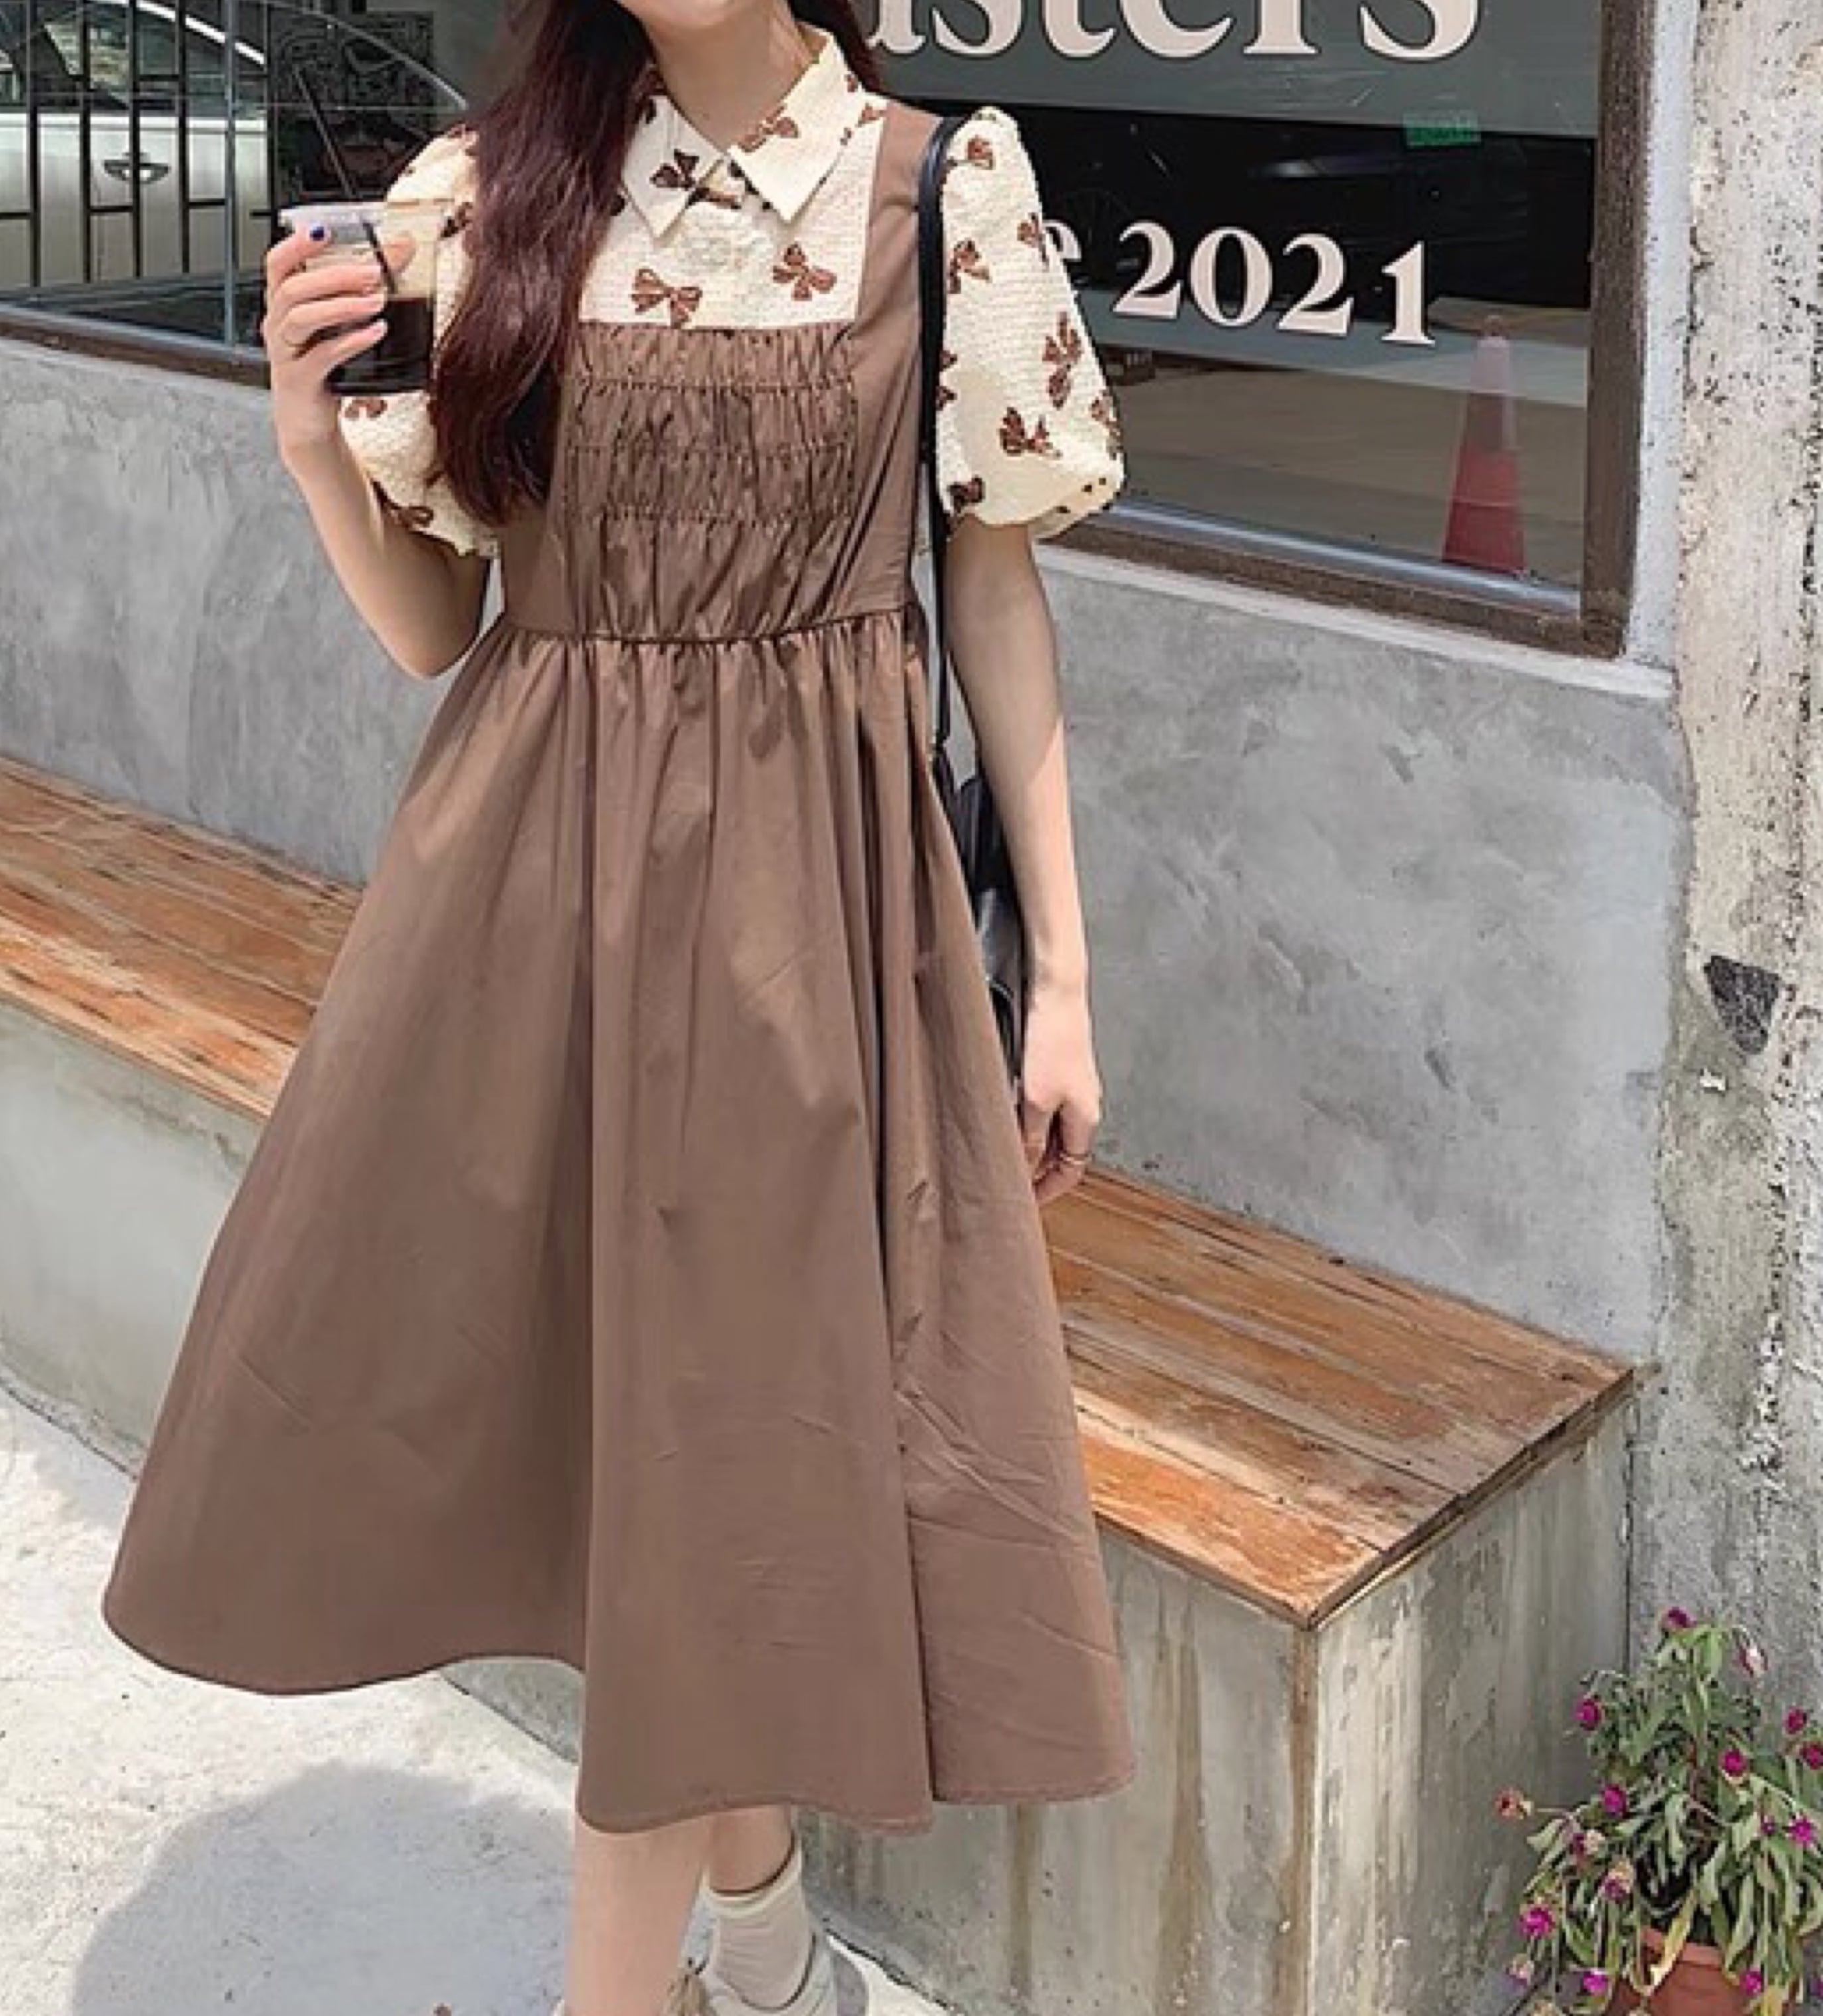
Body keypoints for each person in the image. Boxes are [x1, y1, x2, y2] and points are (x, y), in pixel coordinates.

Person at [100, 3, 1136, 2011]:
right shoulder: (487, 199)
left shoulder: (939, 191)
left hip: (804, 933)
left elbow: (995, 593)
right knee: (651, 1467)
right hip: (532, 905)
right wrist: (311, 443)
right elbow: (438, 629)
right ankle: (763, 1940)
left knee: (713, 1463)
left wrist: (1068, 982)